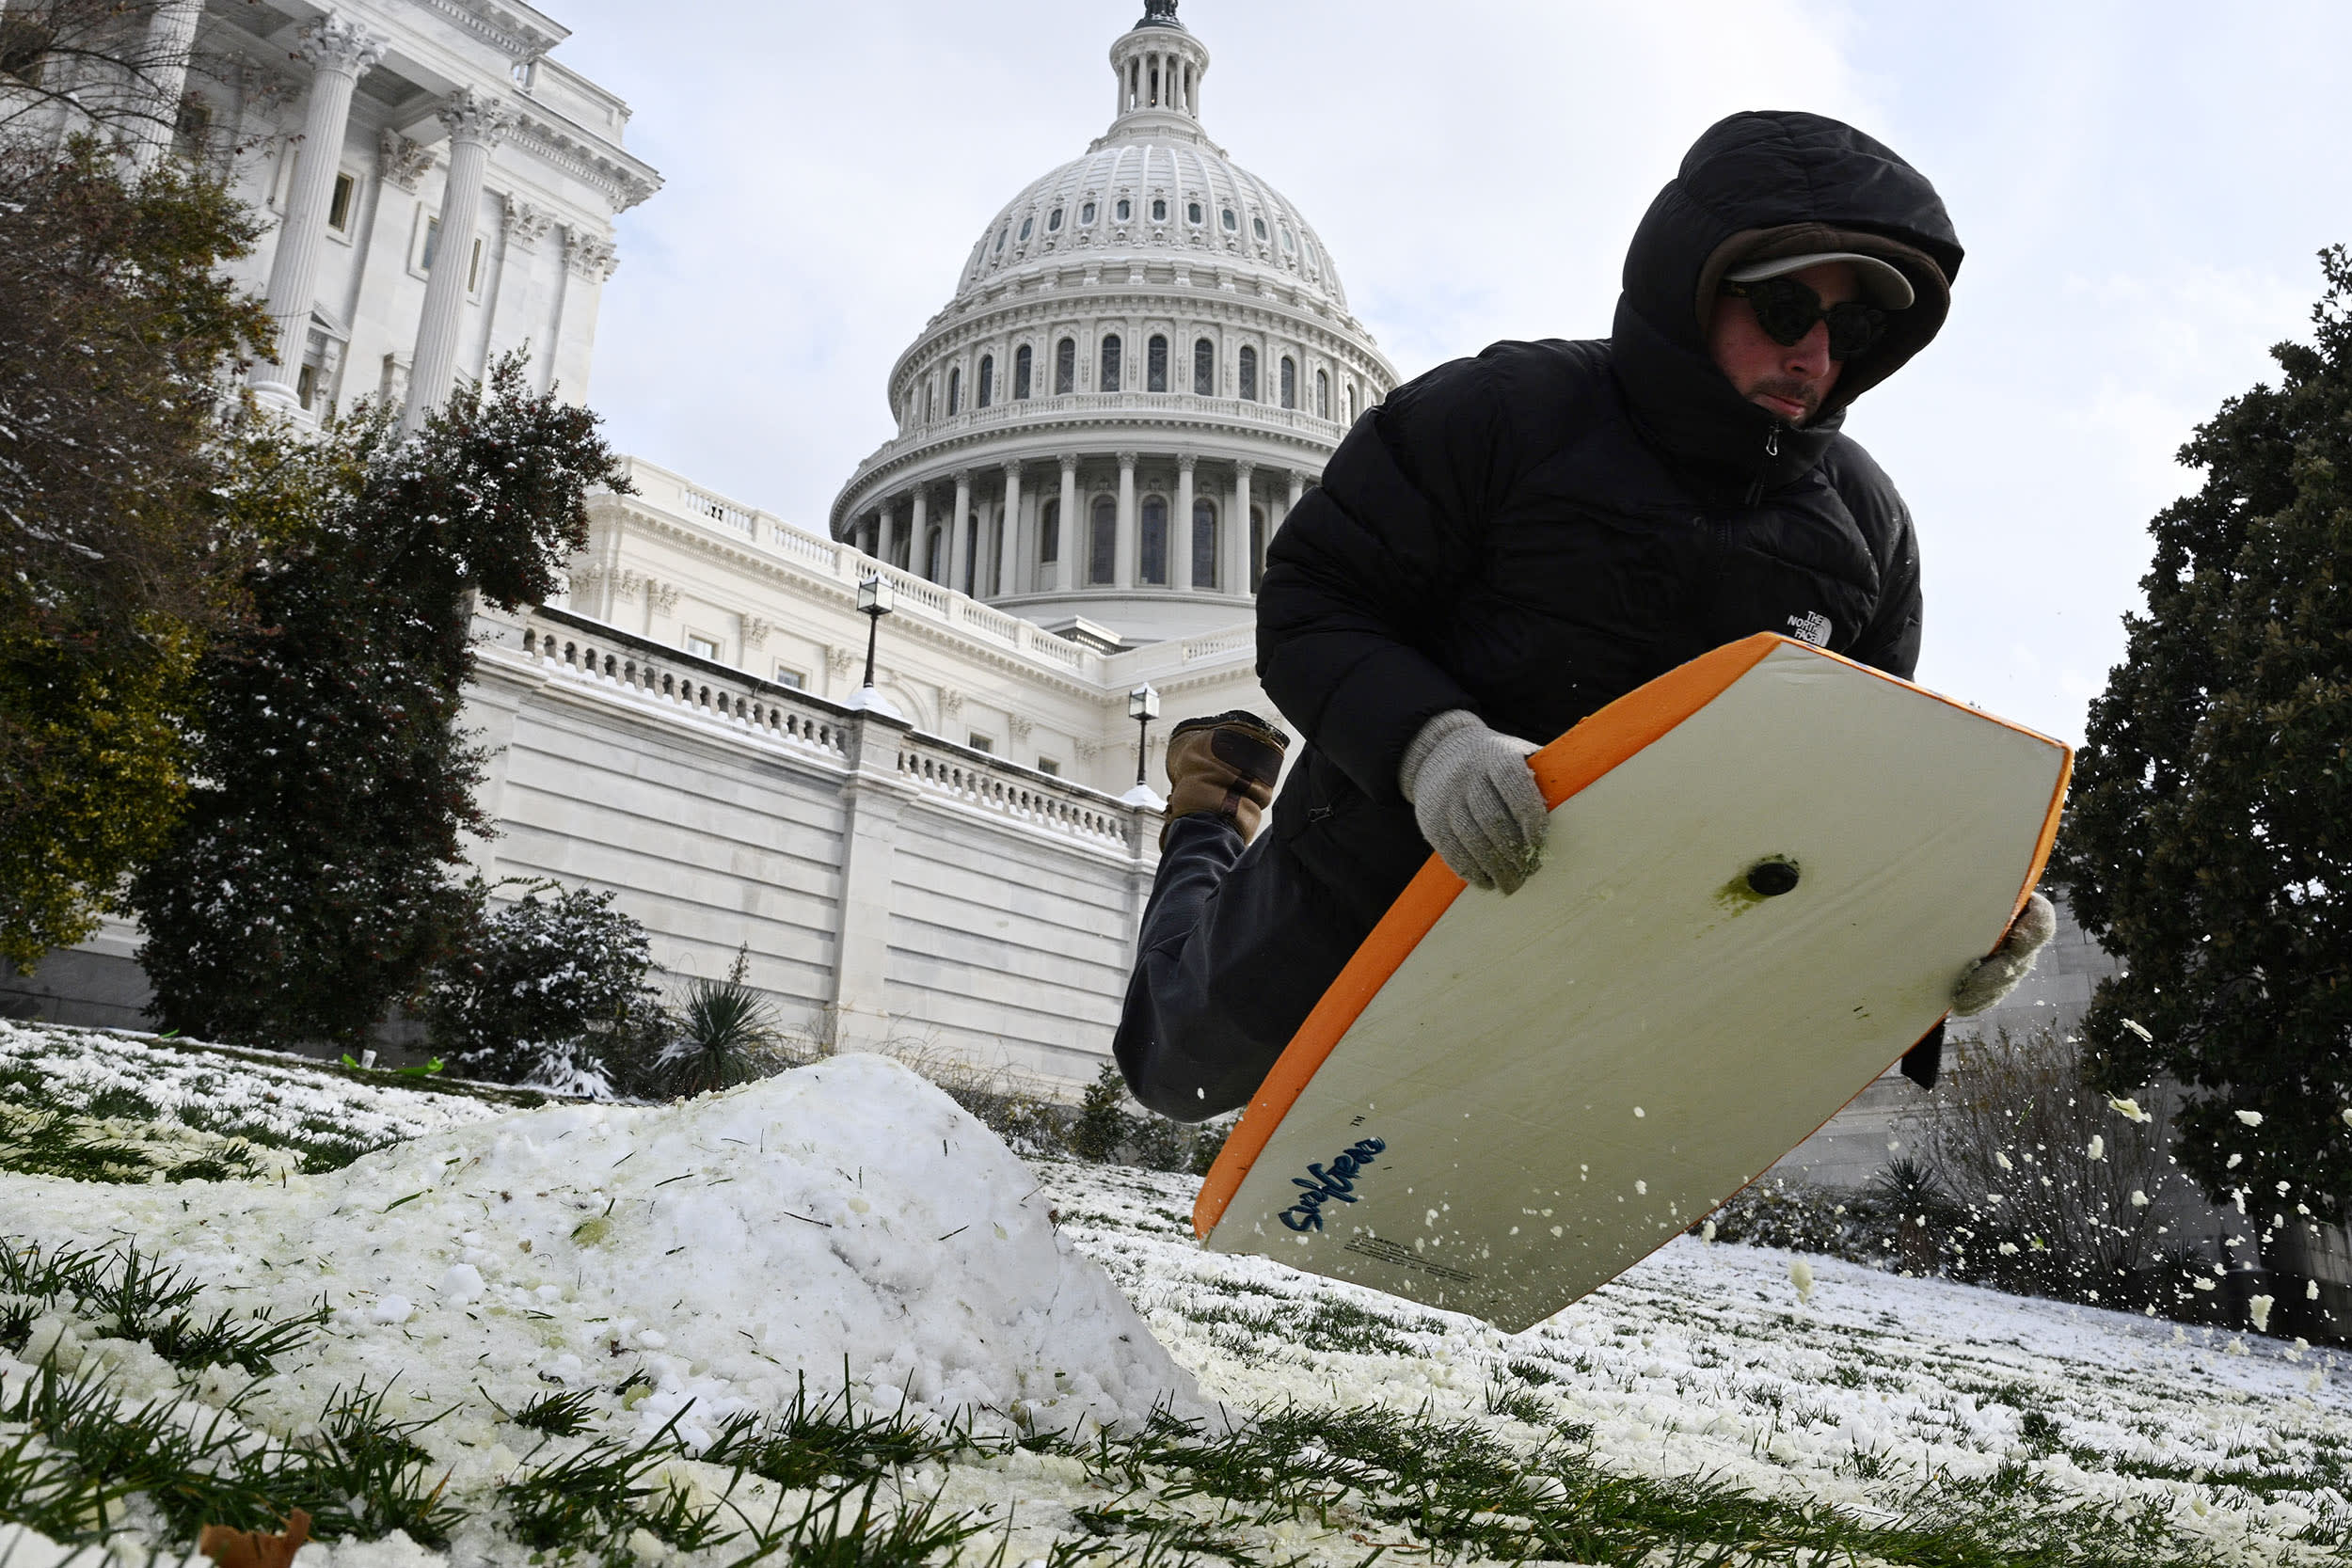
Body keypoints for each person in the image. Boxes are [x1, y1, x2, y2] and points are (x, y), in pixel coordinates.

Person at [1113, 110, 2058, 1123]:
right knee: (1180, 1074)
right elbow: (1312, 597)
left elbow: (1852, 777)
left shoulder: (1866, 531)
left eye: (1856, 329)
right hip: (1388, 843)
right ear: (1695, 283)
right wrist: (1433, 748)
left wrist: (1934, 932)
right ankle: (1212, 813)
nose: (1817, 354)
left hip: (1633, 917)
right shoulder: (1501, 411)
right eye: (1786, 308)